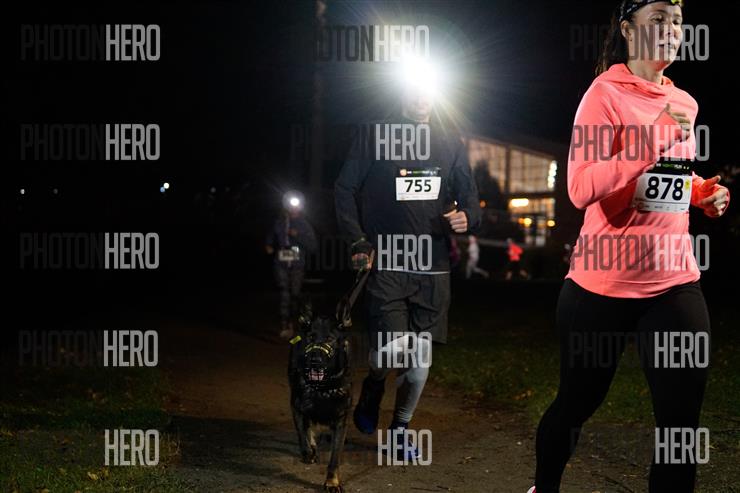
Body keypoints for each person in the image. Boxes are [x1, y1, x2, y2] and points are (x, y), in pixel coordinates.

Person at [528, 1, 730, 492]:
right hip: (602, 287)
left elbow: (667, 175)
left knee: (680, 424)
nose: (671, 30)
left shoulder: (684, 102)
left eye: (677, 21)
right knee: (576, 404)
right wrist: (650, 139)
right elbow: (581, 188)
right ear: (627, 29)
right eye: (658, 18)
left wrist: (700, 192)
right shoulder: (604, 94)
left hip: (674, 283)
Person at [334, 73, 481, 461]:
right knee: (391, 351)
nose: (420, 98)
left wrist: (469, 216)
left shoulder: (449, 141)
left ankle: (400, 430)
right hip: (389, 265)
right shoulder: (374, 136)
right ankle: (374, 384)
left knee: (419, 360)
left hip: (433, 269)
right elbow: (344, 189)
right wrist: (358, 240)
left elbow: (470, 198)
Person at [265, 192, 317, 340]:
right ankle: (284, 325)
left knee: (295, 294)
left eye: (296, 205)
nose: (293, 208)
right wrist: (269, 245)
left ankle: (295, 323)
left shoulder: (304, 225)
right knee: (284, 292)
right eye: (290, 205)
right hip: (280, 263)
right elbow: (270, 236)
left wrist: (298, 235)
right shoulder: (280, 222)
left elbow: (313, 246)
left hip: (297, 264)